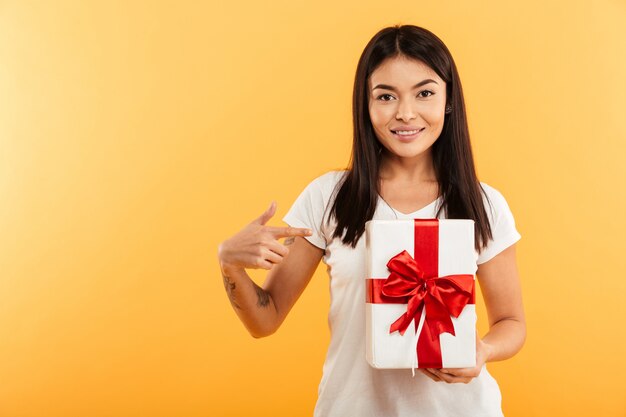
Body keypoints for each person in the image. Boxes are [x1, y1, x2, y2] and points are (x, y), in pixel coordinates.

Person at [217, 24, 526, 417]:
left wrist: (482, 351)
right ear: (365, 104)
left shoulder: (483, 204)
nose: (405, 113)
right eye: (386, 96)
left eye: (425, 93)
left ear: (448, 100)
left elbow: (512, 322)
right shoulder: (329, 198)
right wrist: (229, 262)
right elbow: (265, 319)